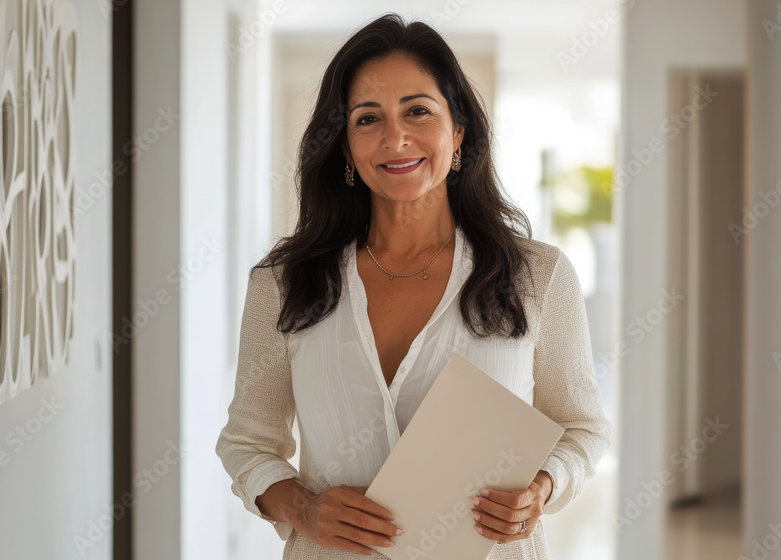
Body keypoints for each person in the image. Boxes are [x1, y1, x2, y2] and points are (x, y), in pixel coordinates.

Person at [216, 12, 611, 559]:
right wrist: (302, 508)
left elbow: (581, 428)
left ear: (458, 131)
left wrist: (541, 489)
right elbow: (247, 442)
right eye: (367, 118)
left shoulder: (537, 276)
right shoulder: (285, 284)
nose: (395, 138)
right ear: (346, 147)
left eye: (418, 111)